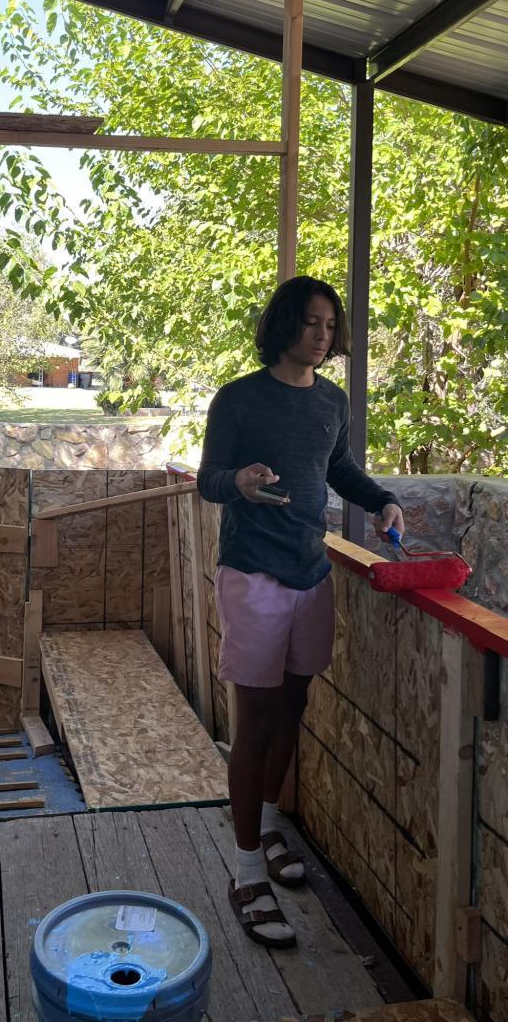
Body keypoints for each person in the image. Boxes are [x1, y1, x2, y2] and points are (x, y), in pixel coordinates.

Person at [197, 275, 404, 949]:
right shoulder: (238, 398)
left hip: (313, 574)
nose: (321, 334)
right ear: (285, 324)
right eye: (311, 322)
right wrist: (240, 482)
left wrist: (381, 501)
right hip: (253, 575)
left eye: (330, 325)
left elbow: (338, 467)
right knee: (254, 723)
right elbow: (208, 480)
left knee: (292, 709)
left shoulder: (331, 401)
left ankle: (268, 829)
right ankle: (245, 871)